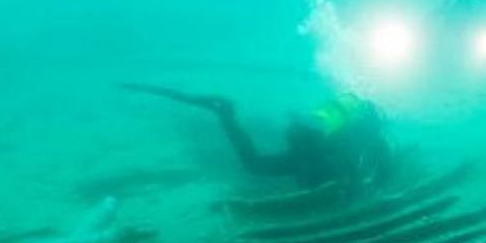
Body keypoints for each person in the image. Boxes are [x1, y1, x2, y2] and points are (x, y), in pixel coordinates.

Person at [120, 83, 392, 189]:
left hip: (302, 138)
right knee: (260, 166)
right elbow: (360, 174)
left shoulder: (349, 129)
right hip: (308, 149)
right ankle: (226, 112)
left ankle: (226, 114)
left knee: (255, 164)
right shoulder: (367, 138)